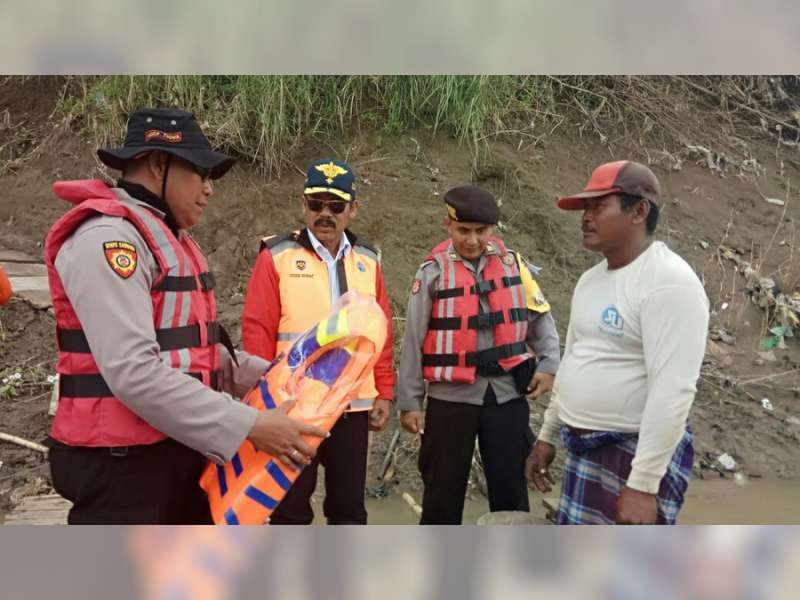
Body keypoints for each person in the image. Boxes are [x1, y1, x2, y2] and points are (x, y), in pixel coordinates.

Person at [44, 107, 327, 525]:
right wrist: (250, 424)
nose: (209, 189)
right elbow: (134, 371)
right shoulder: (108, 241)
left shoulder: (171, 240)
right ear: (158, 163)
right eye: (200, 174)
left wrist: (289, 379)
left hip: (175, 454)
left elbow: (204, 356)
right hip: (122, 469)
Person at [526, 160, 709, 525]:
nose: (586, 217)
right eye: (585, 208)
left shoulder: (669, 283)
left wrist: (643, 484)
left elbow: (673, 392)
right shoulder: (590, 281)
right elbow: (576, 360)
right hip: (583, 449)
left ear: (640, 210)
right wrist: (547, 435)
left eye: (599, 206)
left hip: (634, 456)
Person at [242, 158, 395, 525]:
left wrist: (384, 392)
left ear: (352, 209)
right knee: (290, 508)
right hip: (295, 406)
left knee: (348, 509)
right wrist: (262, 403)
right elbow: (257, 331)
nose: (325, 214)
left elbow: (381, 331)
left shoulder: (369, 261)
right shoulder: (277, 256)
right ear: (303, 205)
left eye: (336, 206)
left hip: (352, 407)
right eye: (316, 205)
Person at [397, 185, 561, 525]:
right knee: (442, 489)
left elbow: (539, 315)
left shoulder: (513, 264)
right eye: (463, 231)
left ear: (493, 229)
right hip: (450, 399)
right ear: (448, 226)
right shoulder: (432, 271)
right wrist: (410, 401)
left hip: (506, 396)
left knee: (511, 489)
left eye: (480, 231)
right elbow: (413, 338)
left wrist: (549, 364)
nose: (472, 240)